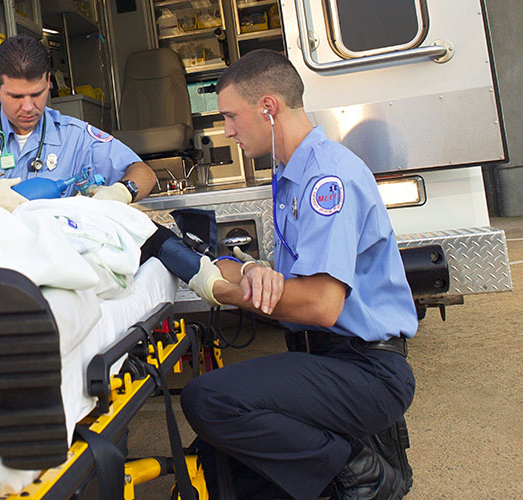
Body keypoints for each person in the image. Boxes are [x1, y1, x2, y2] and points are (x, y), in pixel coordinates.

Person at [177, 49, 416, 500]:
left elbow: (320, 305)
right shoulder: (291, 175)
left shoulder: (326, 178)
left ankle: (360, 475)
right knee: (218, 456)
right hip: (328, 359)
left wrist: (228, 292)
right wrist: (250, 268)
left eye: (231, 116)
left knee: (208, 400)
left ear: (267, 108)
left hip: (365, 368)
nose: (226, 130)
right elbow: (272, 275)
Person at [0, 34, 156, 211]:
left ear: (48, 82)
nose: (28, 106)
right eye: (16, 96)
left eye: (36, 94)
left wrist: (122, 191)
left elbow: (143, 172)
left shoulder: (74, 135)